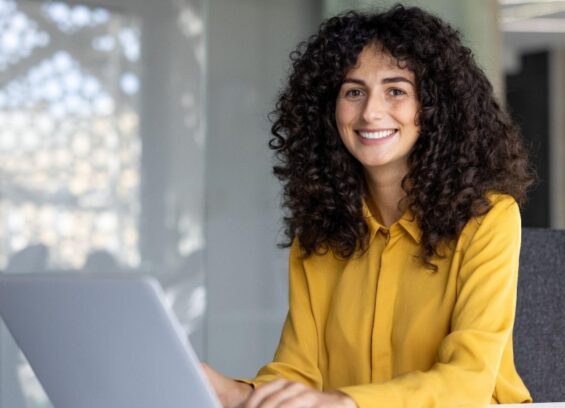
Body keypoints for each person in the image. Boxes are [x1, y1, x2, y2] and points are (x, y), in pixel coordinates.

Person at [203, 5, 535, 408]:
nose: (370, 112)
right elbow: (298, 372)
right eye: (353, 92)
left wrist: (344, 402)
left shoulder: (488, 219)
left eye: (396, 90)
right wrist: (231, 391)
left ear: (433, 109)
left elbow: (468, 382)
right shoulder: (322, 232)